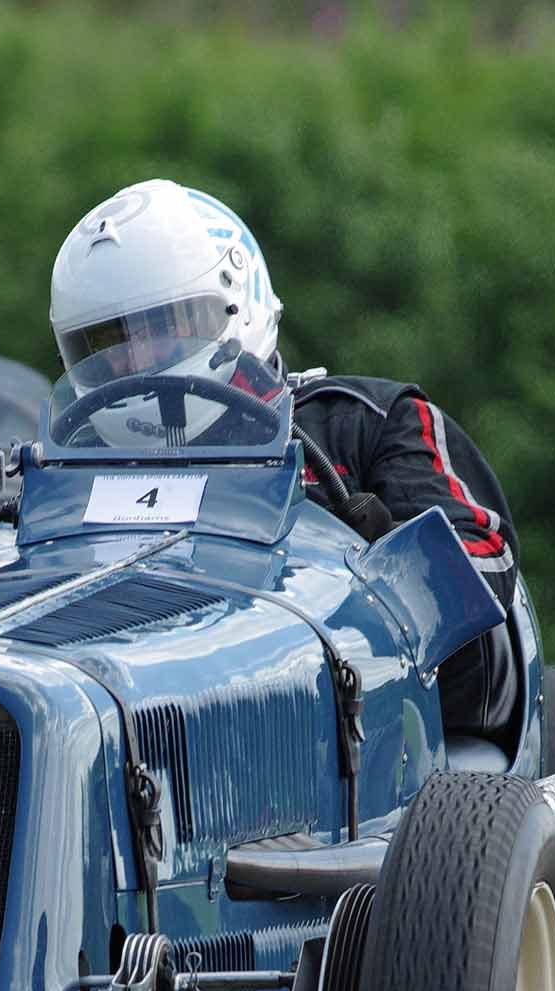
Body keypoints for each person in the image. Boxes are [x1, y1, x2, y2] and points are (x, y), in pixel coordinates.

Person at [49, 178, 523, 748]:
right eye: (107, 342)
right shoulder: (71, 465)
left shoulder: (365, 422)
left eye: (164, 328)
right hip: (154, 722)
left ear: (234, 299)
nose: (139, 358)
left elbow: (489, 565)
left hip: (390, 739)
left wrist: (378, 556)